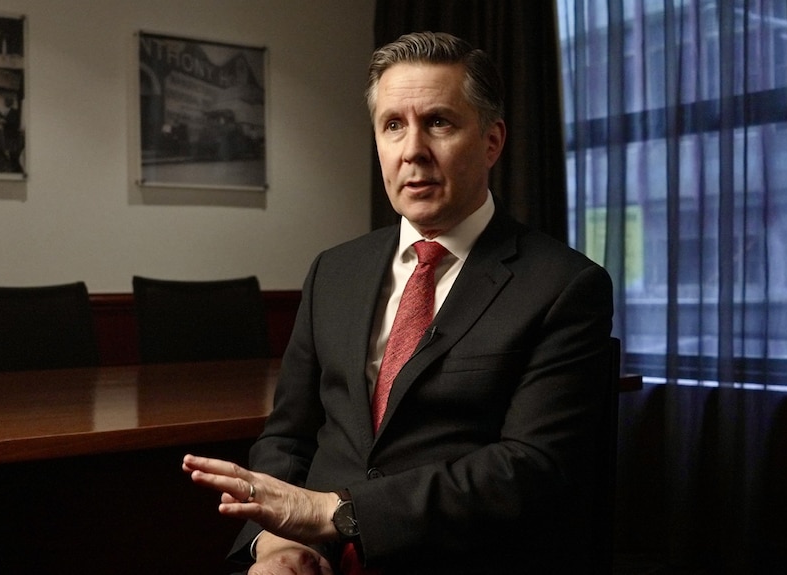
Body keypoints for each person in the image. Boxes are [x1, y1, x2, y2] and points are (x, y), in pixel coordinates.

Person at [183, 31, 613, 574]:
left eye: (439, 122)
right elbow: (288, 435)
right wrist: (275, 543)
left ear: (492, 141)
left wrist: (337, 514)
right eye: (393, 126)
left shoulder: (564, 285)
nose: (412, 149)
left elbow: (530, 469)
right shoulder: (333, 271)